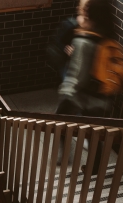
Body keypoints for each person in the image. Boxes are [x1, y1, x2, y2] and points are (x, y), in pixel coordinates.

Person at [56, 0, 116, 174]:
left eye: (81, 12)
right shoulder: (107, 36)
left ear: (90, 17)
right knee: (94, 133)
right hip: (102, 98)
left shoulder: (83, 40)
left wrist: (66, 91)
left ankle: (65, 155)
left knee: (58, 122)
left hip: (80, 97)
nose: (78, 15)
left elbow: (78, 77)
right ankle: (94, 168)